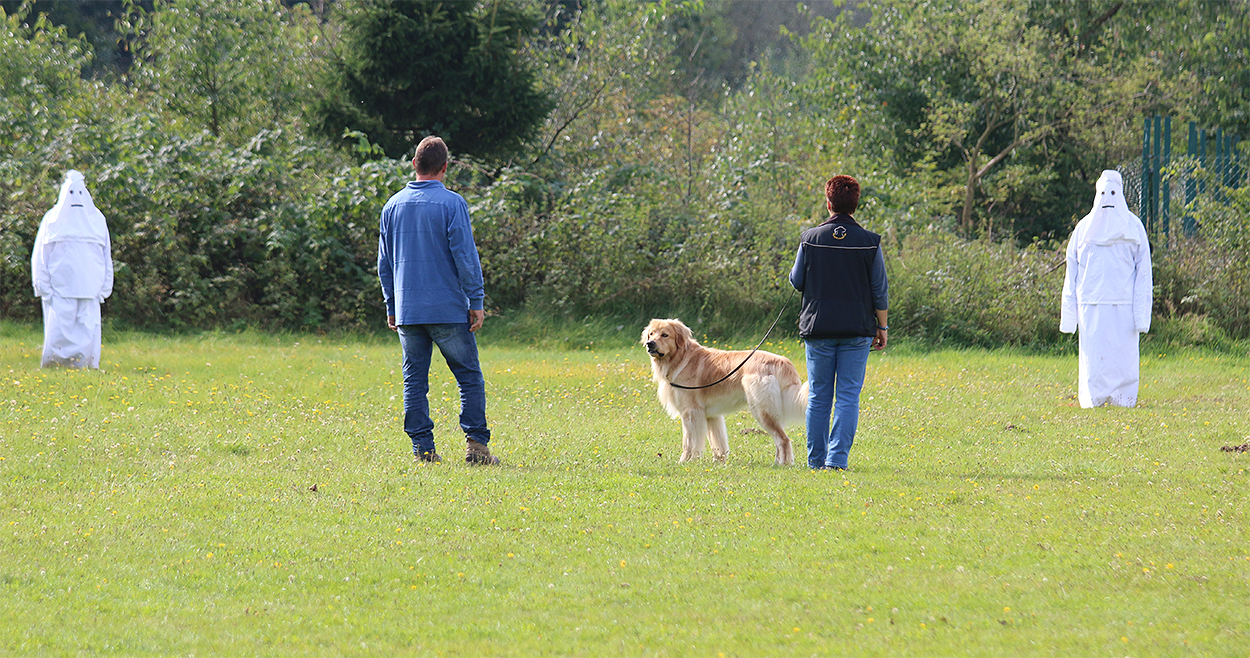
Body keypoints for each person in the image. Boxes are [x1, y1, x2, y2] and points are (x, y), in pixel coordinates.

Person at [377, 136, 498, 465]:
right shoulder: (452, 204)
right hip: (447, 309)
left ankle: (423, 450)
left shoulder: (392, 206)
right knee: (468, 377)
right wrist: (476, 300)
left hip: (408, 309)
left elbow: (384, 264)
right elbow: (465, 257)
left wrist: (391, 305)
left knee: (414, 381)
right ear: (445, 168)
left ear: (414, 164)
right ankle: (477, 449)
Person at [789, 175, 888, 470]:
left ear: (828, 203)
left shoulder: (809, 238)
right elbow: (879, 290)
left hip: (818, 328)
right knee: (847, 396)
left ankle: (816, 461)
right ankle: (837, 460)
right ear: (855, 205)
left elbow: (796, 281)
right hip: (857, 330)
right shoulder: (870, 242)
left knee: (819, 396)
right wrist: (882, 327)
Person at [1060, 169, 1152, 408]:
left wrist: (1142, 316)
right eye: (1103, 194)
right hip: (1091, 304)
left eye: (1112, 193)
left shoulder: (1133, 227)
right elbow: (1071, 272)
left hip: (1124, 305)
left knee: (1123, 356)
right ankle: (1093, 397)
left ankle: (1124, 398)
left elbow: (1144, 275)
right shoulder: (1083, 229)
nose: (1108, 199)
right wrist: (1069, 317)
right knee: (1094, 357)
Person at [31, 170, 114, 369]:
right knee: (60, 328)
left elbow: (105, 255)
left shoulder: (96, 220)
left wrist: (104, 286)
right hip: (60, 288)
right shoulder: (52, 219)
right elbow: (41, 254)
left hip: (89, 288)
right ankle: (55, 363)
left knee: (87, 328)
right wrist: (43, 285)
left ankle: (85, 364)